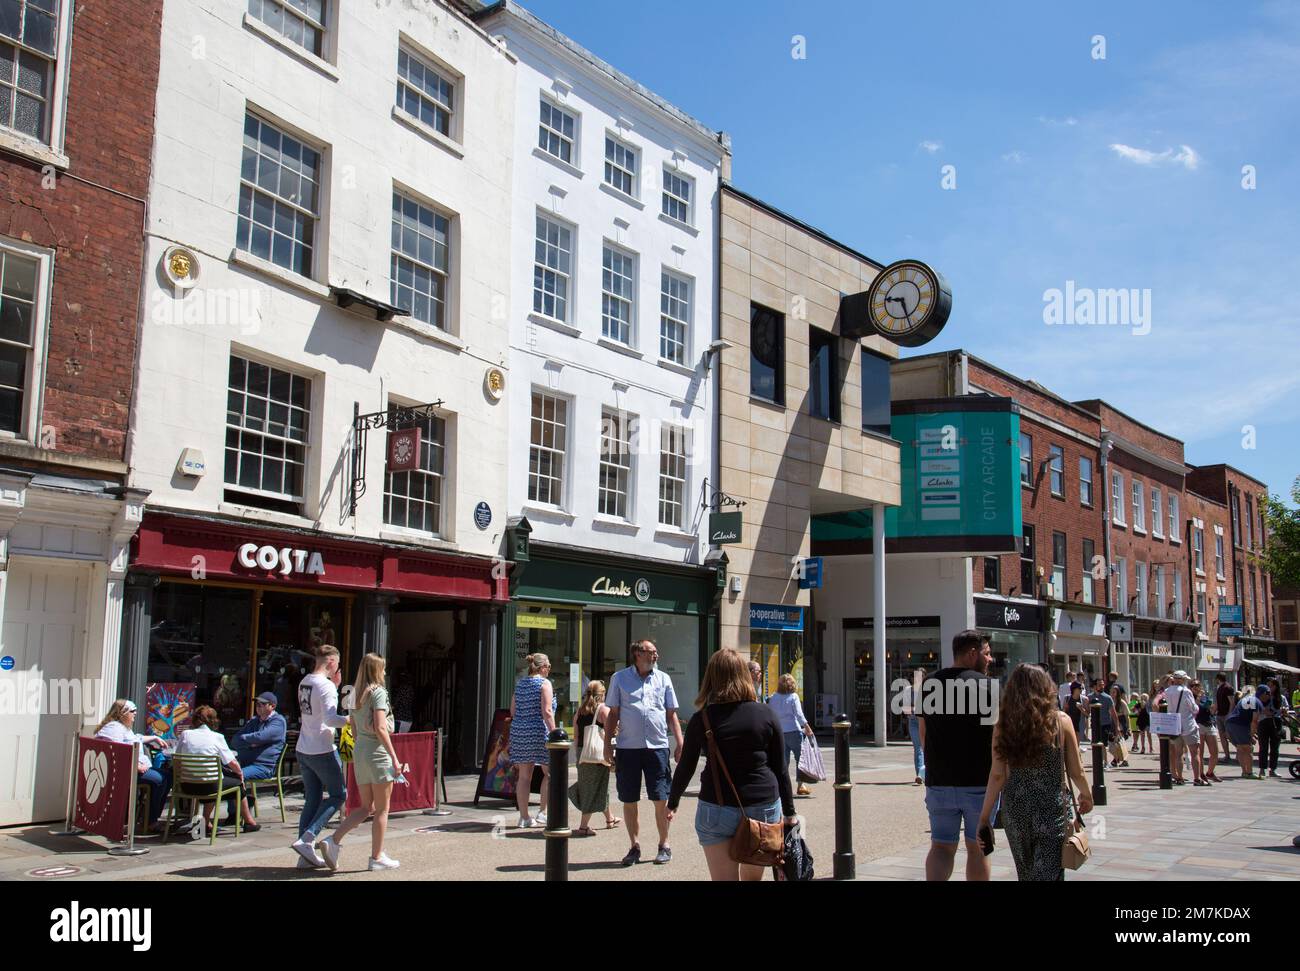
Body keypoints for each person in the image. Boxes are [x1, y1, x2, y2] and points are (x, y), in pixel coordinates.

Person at [666, 649, 797, 882]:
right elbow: (780, 768)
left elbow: (686, 766)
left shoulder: (702, 718)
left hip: (716, 805)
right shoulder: (766, 715)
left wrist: (673, 801)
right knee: (752, 878)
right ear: (745, 676)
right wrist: (789, 812)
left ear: (711, 679)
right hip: (762, 805)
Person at [977, 665, 1092, 881]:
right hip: (1052, 809)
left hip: (1016, 809)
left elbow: (997, 775)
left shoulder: (1003, 725)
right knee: (1048, 873)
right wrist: (1087, 795)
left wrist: (984, 817)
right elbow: (1076, 771)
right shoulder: (1060, 721)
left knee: (1027, 874)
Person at [917, 630, 995, 882]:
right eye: (987, 653)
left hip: (939, 781)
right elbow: (998, 739)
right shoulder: (987, 687)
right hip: (979, 782)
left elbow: (923, 733)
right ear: (972, 654)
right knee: (978, 848)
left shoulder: (929, 684)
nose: (990, 659)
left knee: (940, 846)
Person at [318, 653, 404, 871]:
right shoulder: (379, 693)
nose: (384, 672)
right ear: (376, 670)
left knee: (366, 807)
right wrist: (394, 757)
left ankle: (334, 839)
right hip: (377, 752)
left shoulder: (354, 695)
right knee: (382, 809)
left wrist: (361, 747)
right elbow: (381, 727)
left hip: (361, 752)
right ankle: (376, 857)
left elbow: (353, 728)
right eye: (382, 668)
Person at [604, 639, 684, 867]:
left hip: (657, 747)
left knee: (660, 797)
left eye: (656, 652)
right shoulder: (619, 678)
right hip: (628, 748)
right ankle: (634, 846)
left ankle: (664, 844)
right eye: (651, 652)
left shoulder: (663, 679)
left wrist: (680, 742)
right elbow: (613, 714)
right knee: (629, 798)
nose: (656, 656)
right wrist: (608, 745)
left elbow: (671, 715)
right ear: (638, 654)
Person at [292, 643, 350, 868]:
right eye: (337, 665)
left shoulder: (304, 681)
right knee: (338, 795)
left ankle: (303, 854)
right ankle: (308, 838)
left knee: (312, 799)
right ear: (332, 662)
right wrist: (349, 721)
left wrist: (334, 687)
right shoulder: (325, 686)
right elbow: (329, 719)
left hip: (303, 747)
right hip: (322, 748)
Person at [176, 705, 257, 832]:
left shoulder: (185, 734)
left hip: (187, 786)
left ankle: (206, 822)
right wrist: (240, 775)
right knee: (235, 784)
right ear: (213, 721)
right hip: (210, 787)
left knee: (214, 778)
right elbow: (232, 762)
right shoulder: (217, 737)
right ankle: (249, 822)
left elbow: (178, 757)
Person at [95, 699, 171, 829]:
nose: (135, 713)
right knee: (161, 779)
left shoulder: (122, 727)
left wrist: (154, 737)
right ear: (122, 713)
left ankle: (148, 817)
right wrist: (135, 766)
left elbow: (136, 738)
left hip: (135, 769)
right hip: (126, 772)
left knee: (168, 776)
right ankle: (149, 820)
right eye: (132, 711)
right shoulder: (113, 728)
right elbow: (114, 752)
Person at [508, 653, 556, 828]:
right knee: (550, 773)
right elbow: (547, 711)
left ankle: (524, 817)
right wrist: (555, 732)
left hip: (520, 731)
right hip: (539, 730)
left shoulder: (520, 684)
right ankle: (543, 812)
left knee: (524, 776)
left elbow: (513, 711)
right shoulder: (544, 683)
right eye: (549, 666)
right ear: (542, 667)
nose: (549, 670)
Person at [571, 680, 619, 835]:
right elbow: (612, 731)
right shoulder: (603, 710)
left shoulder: (579, 711)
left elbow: (576, 737)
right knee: (592, 788)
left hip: (582, 754)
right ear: (602, 694)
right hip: (597, 754)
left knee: (599, 785)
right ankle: (583, 827)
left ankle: (610, 818)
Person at [231, 692, 286, 822]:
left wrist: (249, 740)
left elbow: (262, 736)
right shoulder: (254, 721)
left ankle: (239, 814)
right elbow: (235, 740)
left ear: (272, 706)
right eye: (257, 704)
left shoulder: (278, 721)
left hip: (264, 767)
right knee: (229, 774)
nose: (258, 707)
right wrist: (252, 742)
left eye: (262, 704)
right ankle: (234, 813)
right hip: (245, 763)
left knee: (237, 776)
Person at [769, 673, 816, 795]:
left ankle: (782, 786)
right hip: (794, 731)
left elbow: (770, 715)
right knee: (800, 759)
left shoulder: (773, 698)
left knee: (783, 761)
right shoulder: (793, 697)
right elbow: (799, 715)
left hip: (779, 733)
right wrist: (807, 728)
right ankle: (801, 785)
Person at [1161, 671, 1203, 786]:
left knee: (1178, 753)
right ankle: (1197, 778)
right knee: (1195, 752)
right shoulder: (1186, 691)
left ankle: (1179, 777)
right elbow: (1194, 708)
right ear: (1183, 679)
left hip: (1174, 725)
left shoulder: (1167, 691)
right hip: (1188, 724)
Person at [1224, 688, 1262, 777]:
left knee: (1241, 748)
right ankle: (1249, 772)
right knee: (1248, 748)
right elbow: (1255, 721)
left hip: (1230, 723)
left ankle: (1244, 772)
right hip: (1239, 724)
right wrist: (1251, 735)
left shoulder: (1243, 700)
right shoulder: (1256, 701)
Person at [900, 668, 927, 785]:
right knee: (918, 748)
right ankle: (920, 775)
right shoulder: (908, 690)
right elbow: (905, 709)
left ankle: (924, 774)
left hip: (926, 721)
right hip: (914, 722)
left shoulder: (928, 690)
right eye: (915, 677)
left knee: (926, 748)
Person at [1191, 682, 1222, 783]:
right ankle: (1201, 774)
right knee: (1200, 752)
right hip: (1198, 724)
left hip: (1209, 723)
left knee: (1215, 752)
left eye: (1198, 685)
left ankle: (1210, 772)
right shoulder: (1190, 697)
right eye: (1193, 685)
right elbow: (1194, 709)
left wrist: (1213, 707)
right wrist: (1198, 697)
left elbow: (1211, 711)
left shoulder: (1205, 696)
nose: (1196, 687)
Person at [1256, 682, 1283, 778]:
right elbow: (1257, 709)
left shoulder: (1280, 698)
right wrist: (1264, 711)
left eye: (1271, 686)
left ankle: (1273, 769)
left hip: (1276, 722)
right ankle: (1262, 769)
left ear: (1276, 687)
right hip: (1263, 722)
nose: (1269, 688)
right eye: (1268, 686)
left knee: (1275, 747)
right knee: (1263, 746)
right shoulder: (1261, 697)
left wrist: (1283, 711)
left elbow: (1284, 708)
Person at [1087, 679, 1116, 760]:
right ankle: (1098, 761)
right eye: (1100, 684)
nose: (1102, 686)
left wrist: (1117, 726)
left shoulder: (1107, 697)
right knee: (1095, 743)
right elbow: (1087, 712)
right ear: (1095, 686)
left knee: (1103, 743)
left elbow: (1113, 713)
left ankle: (1105, 762)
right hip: (1095, 724)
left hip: (1105, 724)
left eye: (1103, 684)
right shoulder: (1089, 697)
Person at [1109, 684, 1130, 767]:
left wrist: (1128, 728)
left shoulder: (1122, 702)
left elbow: (1127, 716)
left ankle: (1121, 760)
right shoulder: (1110, 701)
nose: (1112, 694)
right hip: (1112, 723)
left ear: (1118, 693)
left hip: (1120, 723)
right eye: (1111, 692)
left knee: (1119, 743)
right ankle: (1116, 759)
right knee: (1113, 744)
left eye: (1114, 692)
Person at [1213, 674, 1234, 754]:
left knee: (1229, 735)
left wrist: (1229, 714)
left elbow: (1232, 702)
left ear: (1218, 679)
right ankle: (1227, 755)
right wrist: (1214, 711)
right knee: (1222, 736)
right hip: (1219, 714)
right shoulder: (1219, 688)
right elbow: (1218, 702)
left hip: (1226, 715)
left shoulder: (1227, 688)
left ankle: (1241, 749)